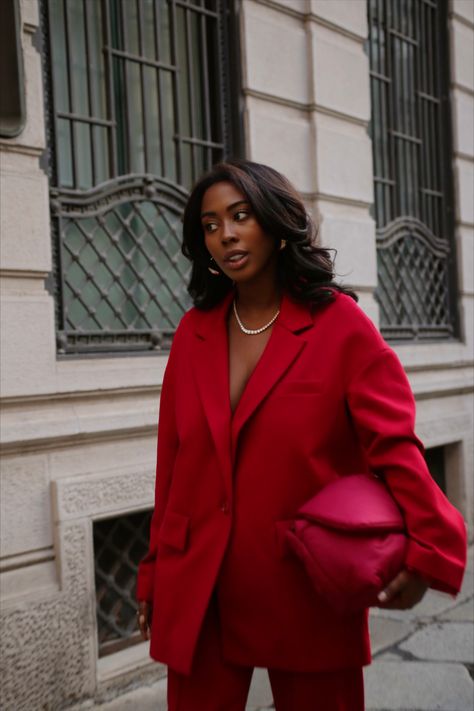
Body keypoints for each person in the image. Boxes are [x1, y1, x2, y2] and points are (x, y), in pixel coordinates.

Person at [136, 159, 466, 711]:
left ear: (275, 221)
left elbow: (393, 444)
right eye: (211, 224)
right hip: (200, 582)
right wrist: (153, 573)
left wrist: (430, 545)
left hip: (304, 578)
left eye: (240, 216)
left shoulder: (339, 325)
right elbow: (172, 462)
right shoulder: (193, 333)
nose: (226, 235)